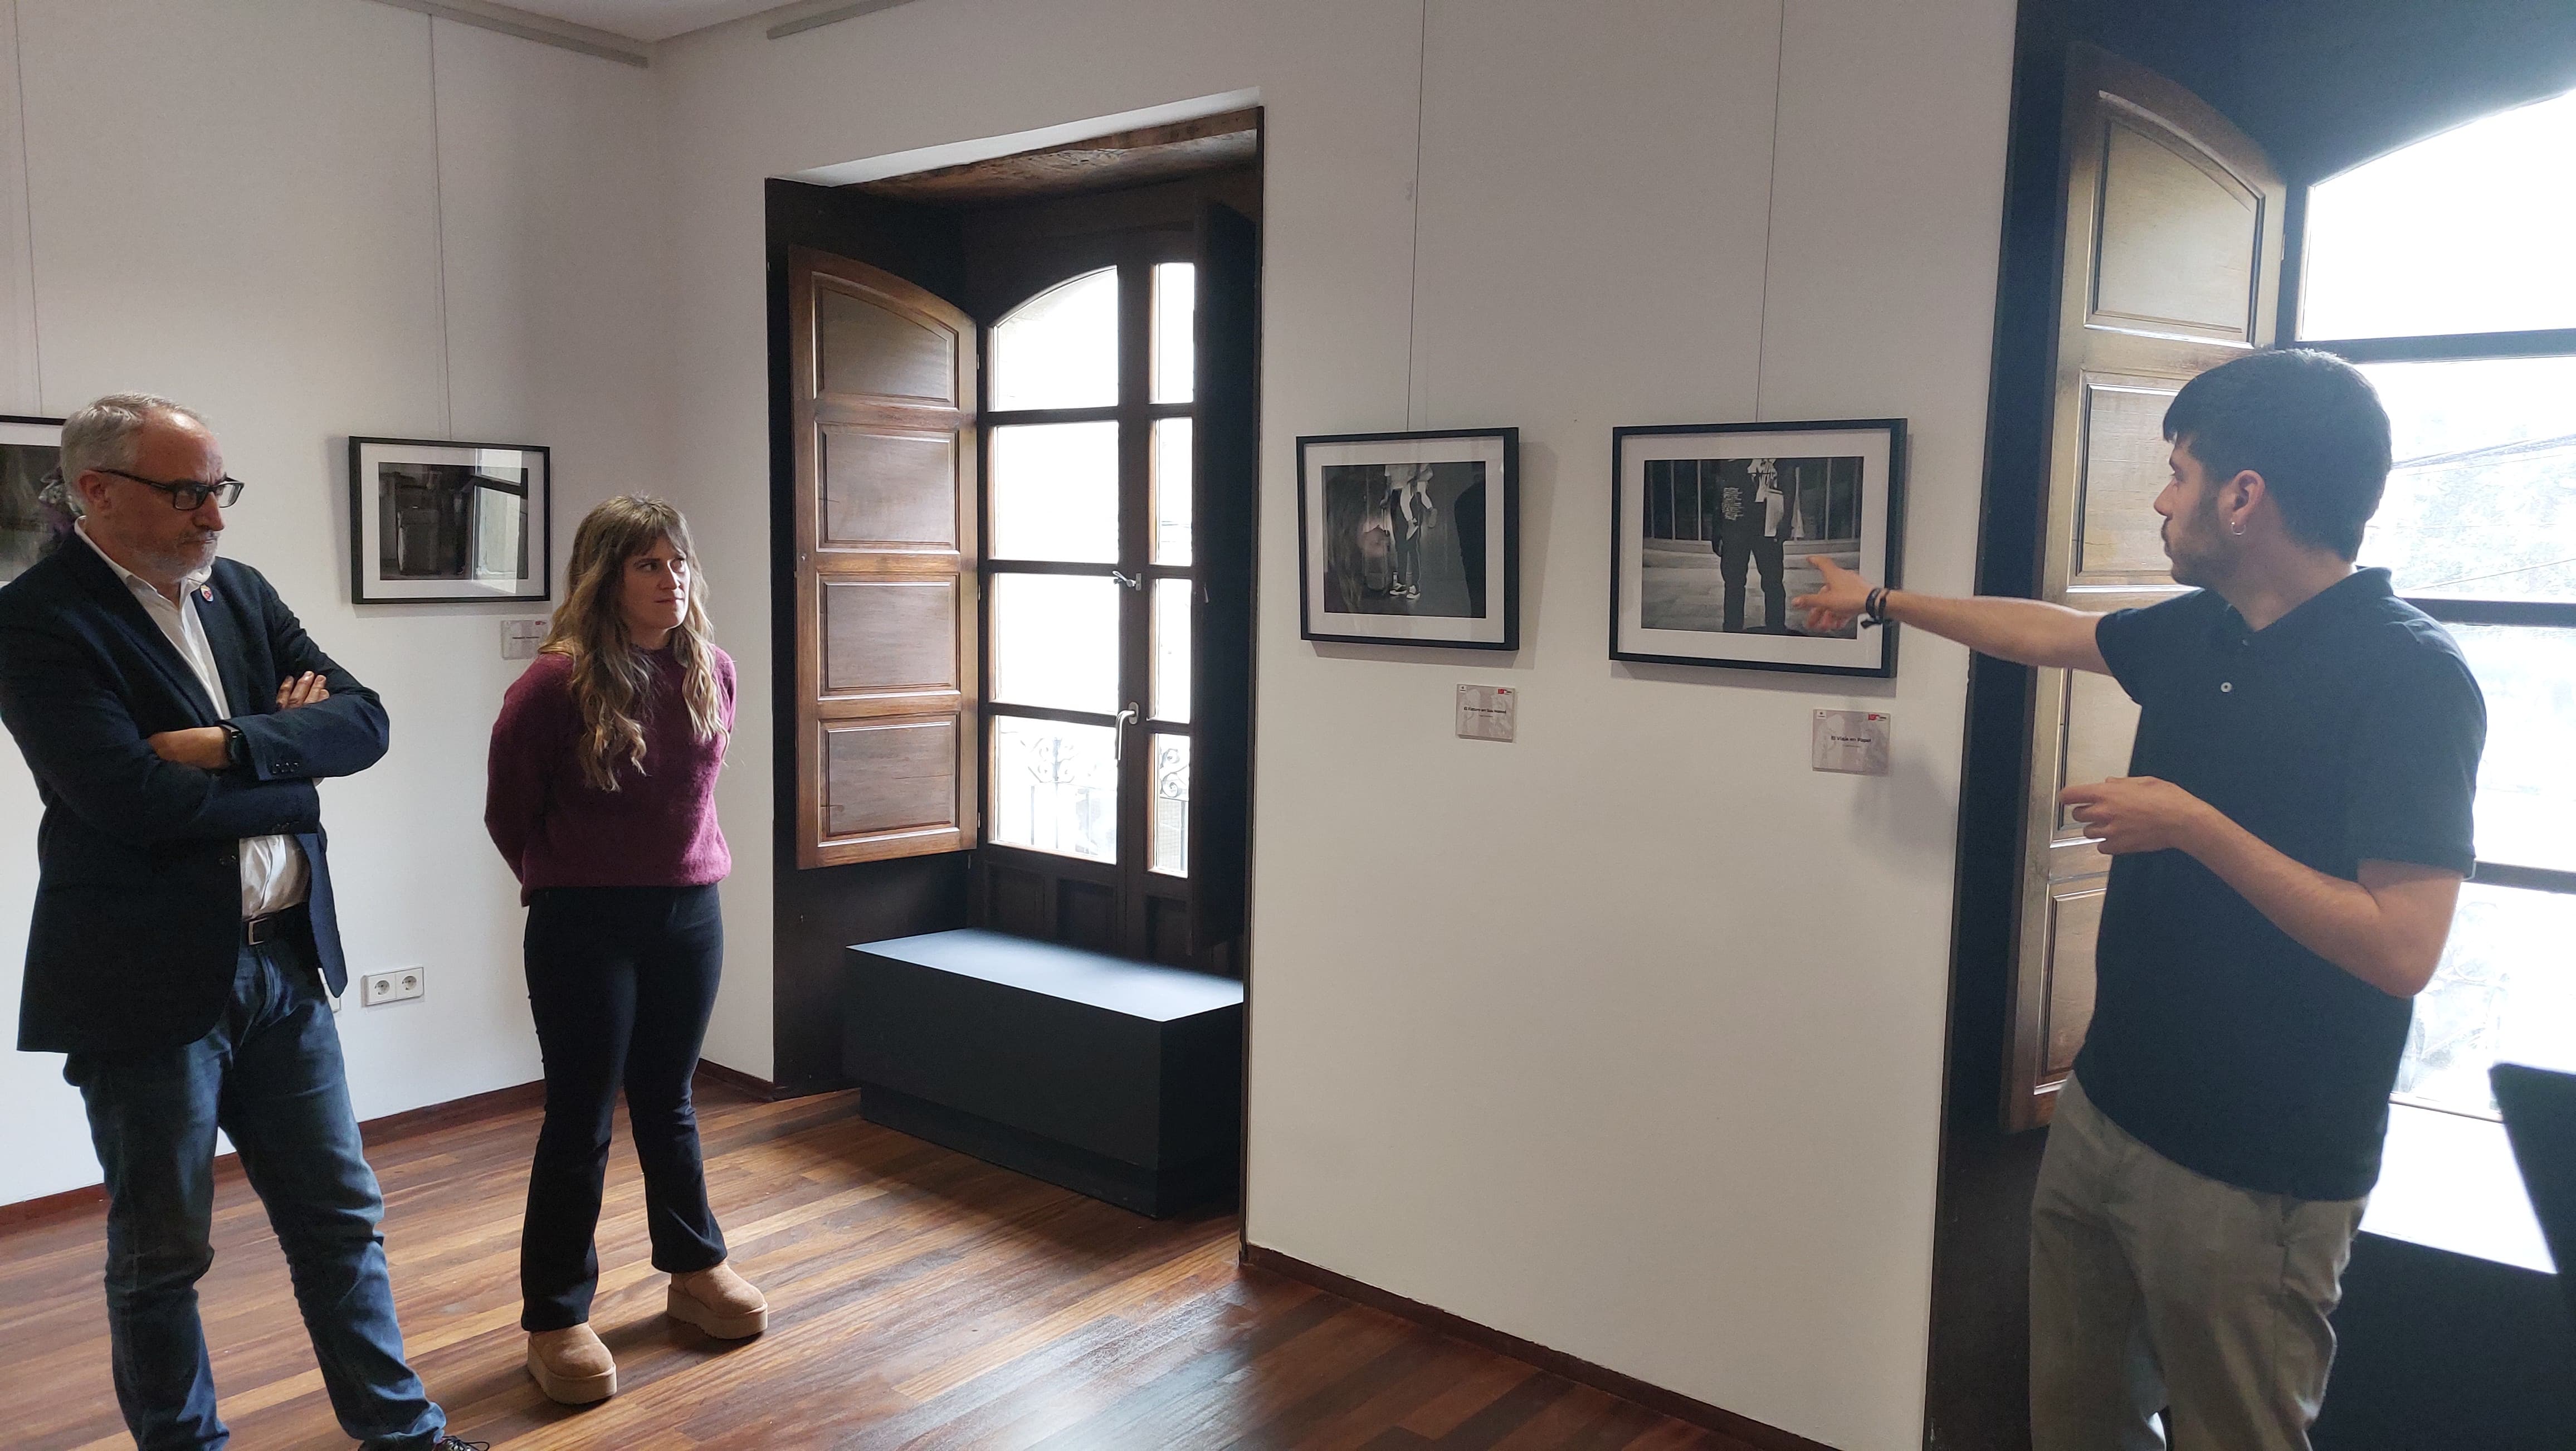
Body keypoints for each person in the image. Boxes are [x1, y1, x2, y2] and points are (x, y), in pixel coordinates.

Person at [1798, 349, 2484, 1451]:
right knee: (2074, 1421)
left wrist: (2191, 825)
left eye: (2175, 472)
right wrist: (1877, 599)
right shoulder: (2203, 628)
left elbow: (2400, 947)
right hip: (2105, 1112)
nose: (2162, 501)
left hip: (2258, 1171)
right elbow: (2048, 633)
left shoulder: (2408, 677)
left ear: (2241, 497)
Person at [0, 395, 481, 1451]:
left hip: (285, 966)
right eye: (188, 491)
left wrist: (223, 744)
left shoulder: (240, 593)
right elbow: (128, 799)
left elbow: (364, 722)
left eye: (221, 487)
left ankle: (402, 1435)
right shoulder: (38, 616)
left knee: (340, 1220)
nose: (214, 513)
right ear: (96, 492)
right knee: (163, 1253)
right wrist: (290, 754)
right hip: (145, 987)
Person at [485, 495, 764, 1405]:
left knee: (669, 1100)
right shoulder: (551, 686)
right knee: (579, 1119)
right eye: (648, 564)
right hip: (582, 922)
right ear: (606, 577)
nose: (670, 578)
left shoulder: (710, 670)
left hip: (689, 913)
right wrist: (571, 875)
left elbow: (690, 801)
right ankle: (556, 1315)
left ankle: (693, 1265)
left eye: (678, 561)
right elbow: (509, 812)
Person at [1718, 457, 1789, 632]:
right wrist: (1718, 529)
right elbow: (1719, 487)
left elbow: (1789, 484)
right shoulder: (1731, 455)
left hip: (1768, 523)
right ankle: (1731, 630)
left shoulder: (1779, 454)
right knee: (1734, 582)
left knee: (1773, 581)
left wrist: (1786, 521)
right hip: (1734, 523)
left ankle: (1776, 628)